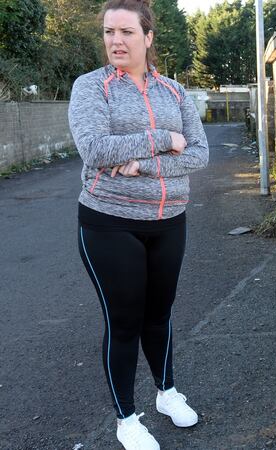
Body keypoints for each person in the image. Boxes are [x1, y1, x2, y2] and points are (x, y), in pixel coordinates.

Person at [68, 0, 208, 448]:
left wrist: (144, 165)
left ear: (147, 38)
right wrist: (164, 141)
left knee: (160, 315)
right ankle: (127, 419)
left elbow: (200, 154)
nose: (115, 41)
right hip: (109, 222)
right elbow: (95, 150)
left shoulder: (175, 92)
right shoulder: (92, 88)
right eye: (109, 32)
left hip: (169, 220)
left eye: (126, 32)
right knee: (124, 321)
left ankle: (166, 394)